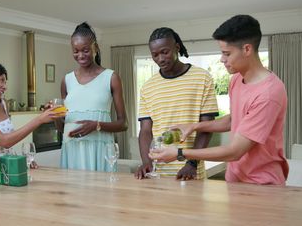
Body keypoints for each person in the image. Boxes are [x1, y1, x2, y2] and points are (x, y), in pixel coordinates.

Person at [150, 15, 289, 185]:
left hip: (262, 184)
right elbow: (233, 119)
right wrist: (194, 126)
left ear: (247, 49)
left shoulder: (269, 93)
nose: (222, 59)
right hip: (234, 178)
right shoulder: (237, 79)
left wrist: (180, 153)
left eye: (227, 53)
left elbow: (235, 151)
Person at [134, 27, 219, 180]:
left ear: (177, 47)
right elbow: (145, 130)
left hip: (190, 173)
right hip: (158, 174)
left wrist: (192, 163)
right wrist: (146, 162)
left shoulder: (202, 78)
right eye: (155, 55)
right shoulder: (147, 87)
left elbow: (206, 127)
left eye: (164, 52)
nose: (160, 59)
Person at [55, 22, 128, 172]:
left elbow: (123, 124)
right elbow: (63, 128)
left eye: (85, 50)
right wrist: (55, 115)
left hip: (101, 152)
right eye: (76, 51)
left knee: (102, 194)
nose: (80, 55)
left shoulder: (111, 77)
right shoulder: (66, 80)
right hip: (72, 151)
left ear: (95, 48)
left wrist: (96, 125)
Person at [0, 61, 60, 167]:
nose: (5, 87)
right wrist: (40, 119)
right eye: (2, 81)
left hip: (11, 167)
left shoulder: (3, 104)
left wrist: (22, 161)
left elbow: (6, 149)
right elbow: (4, 141)